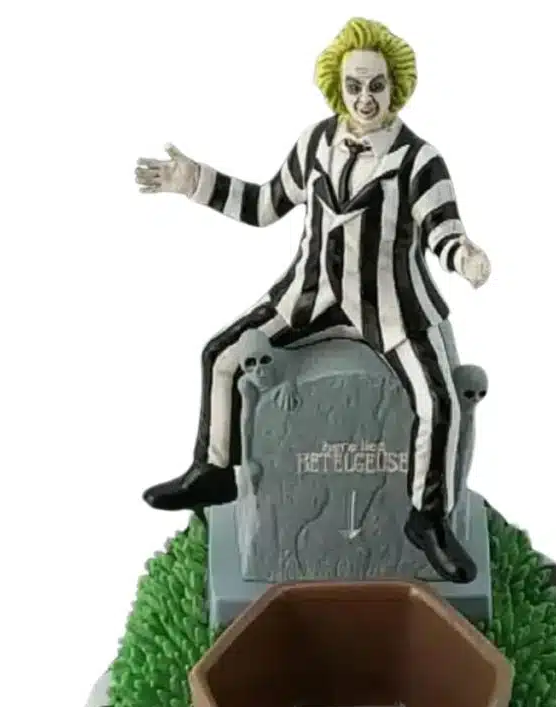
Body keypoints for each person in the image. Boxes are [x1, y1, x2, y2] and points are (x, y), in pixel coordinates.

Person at [136, 17, 490, 583]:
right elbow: (265, 205)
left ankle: (428, 518)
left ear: (396, 87)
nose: (366, 98)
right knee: (220, 355)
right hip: (311, 292)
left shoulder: (421, 160)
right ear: (337, 87)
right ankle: (215, 469)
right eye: (355, 85)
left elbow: (442, 229)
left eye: (377, 85)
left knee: (439, 398)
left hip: (392, 303)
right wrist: (195, 181)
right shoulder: (315, 143)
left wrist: (464, 257)